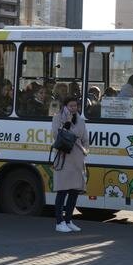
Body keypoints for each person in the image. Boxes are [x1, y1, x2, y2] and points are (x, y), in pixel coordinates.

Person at [52, 96, 89, 233]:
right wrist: (67, 123)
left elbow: (85, 138)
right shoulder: (58, 118)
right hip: (64, 157)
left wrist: (85, 151)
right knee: (62, 190)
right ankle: (59, 222)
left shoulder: (80, 120)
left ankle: (68, 220)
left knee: (74, 191)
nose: (73, 108)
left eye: (75, 106)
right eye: (71, 106)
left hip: (77, 158)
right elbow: (56, 135)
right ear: (65, 106)